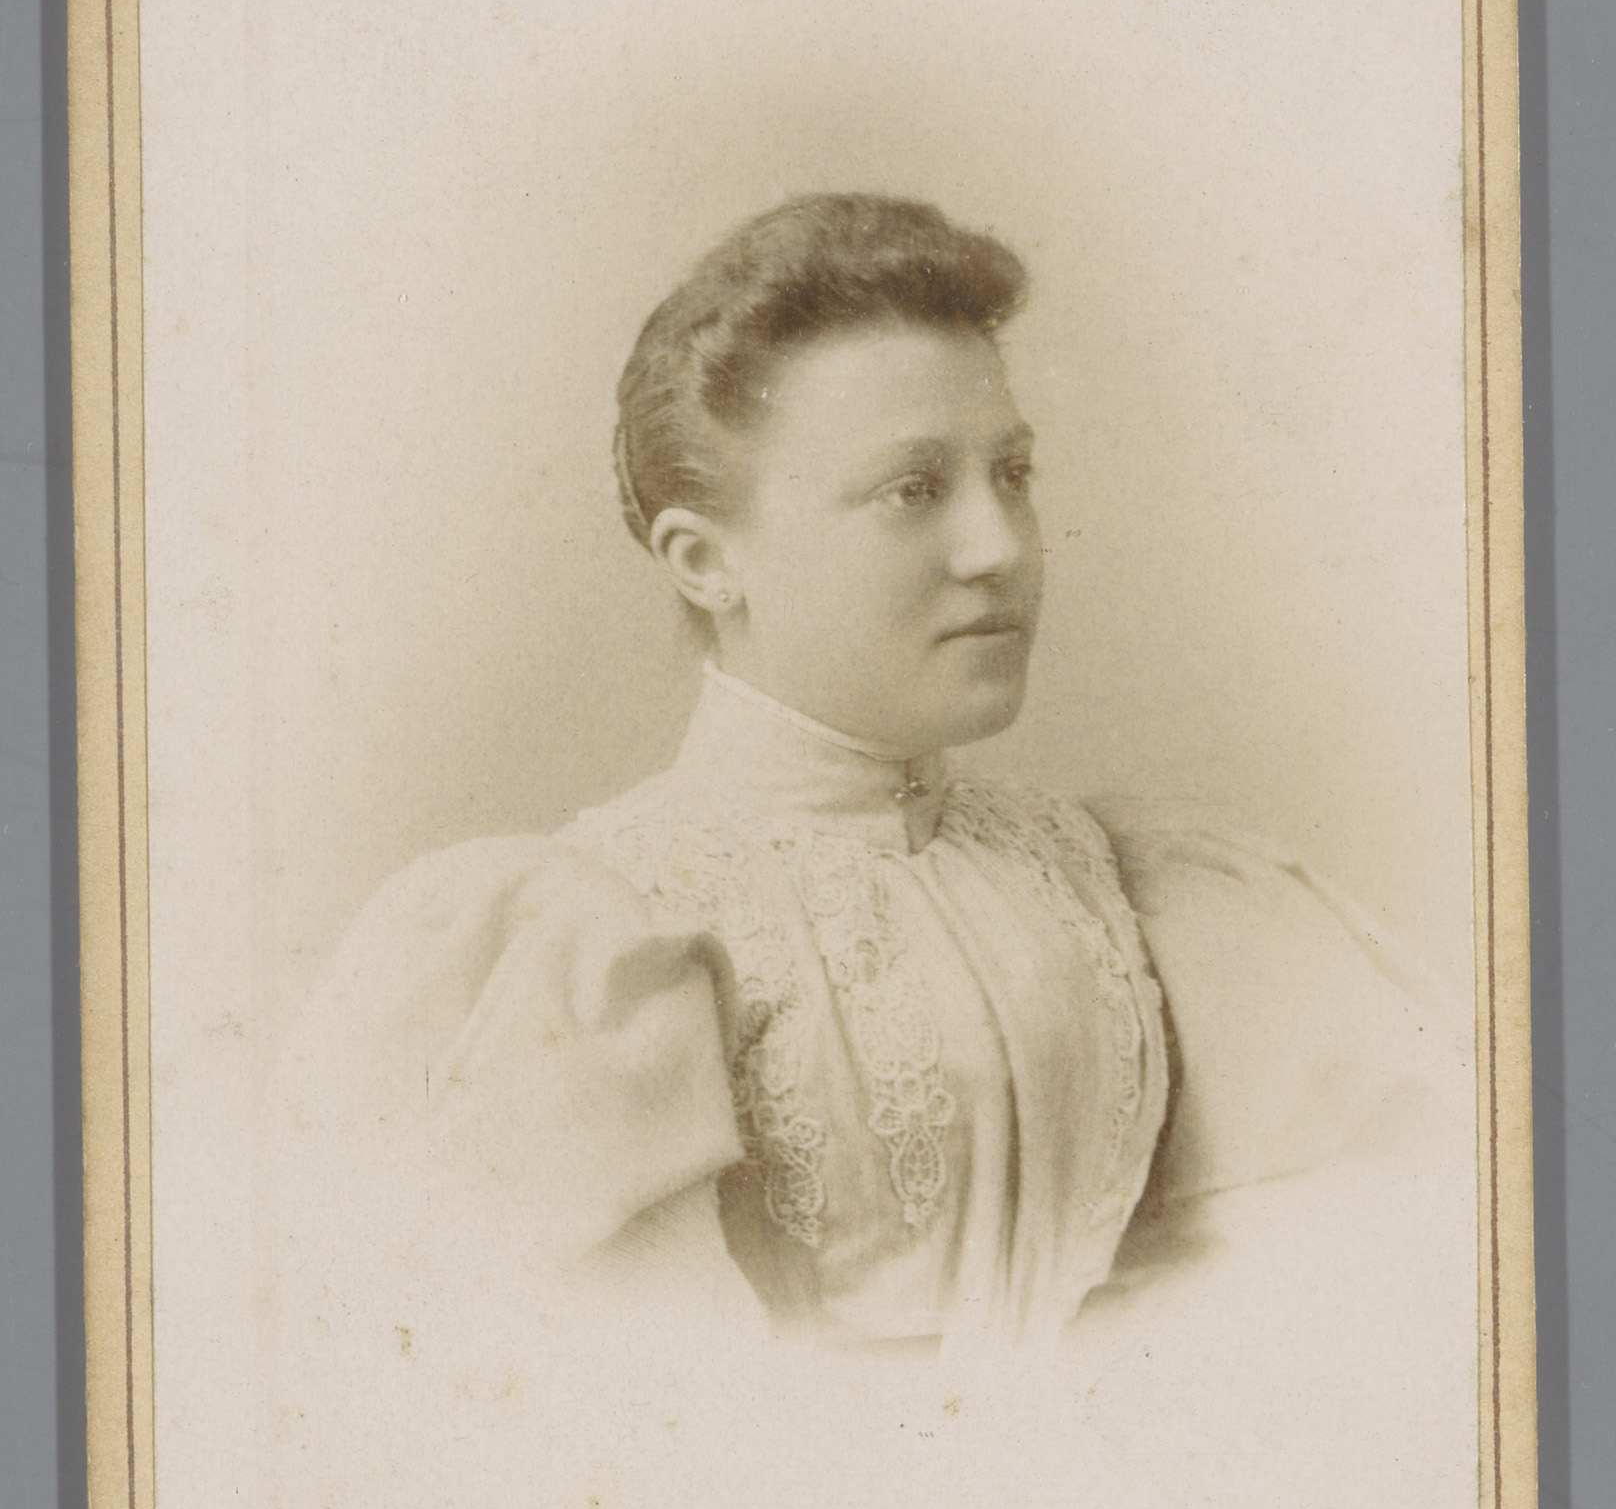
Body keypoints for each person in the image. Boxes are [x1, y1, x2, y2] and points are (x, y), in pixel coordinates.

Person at [274, 194, 1455, 1361]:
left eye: (1011, 473)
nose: (998, 547)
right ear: (705, 560)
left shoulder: (1119, 883)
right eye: (911, 490)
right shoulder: (582, 943)